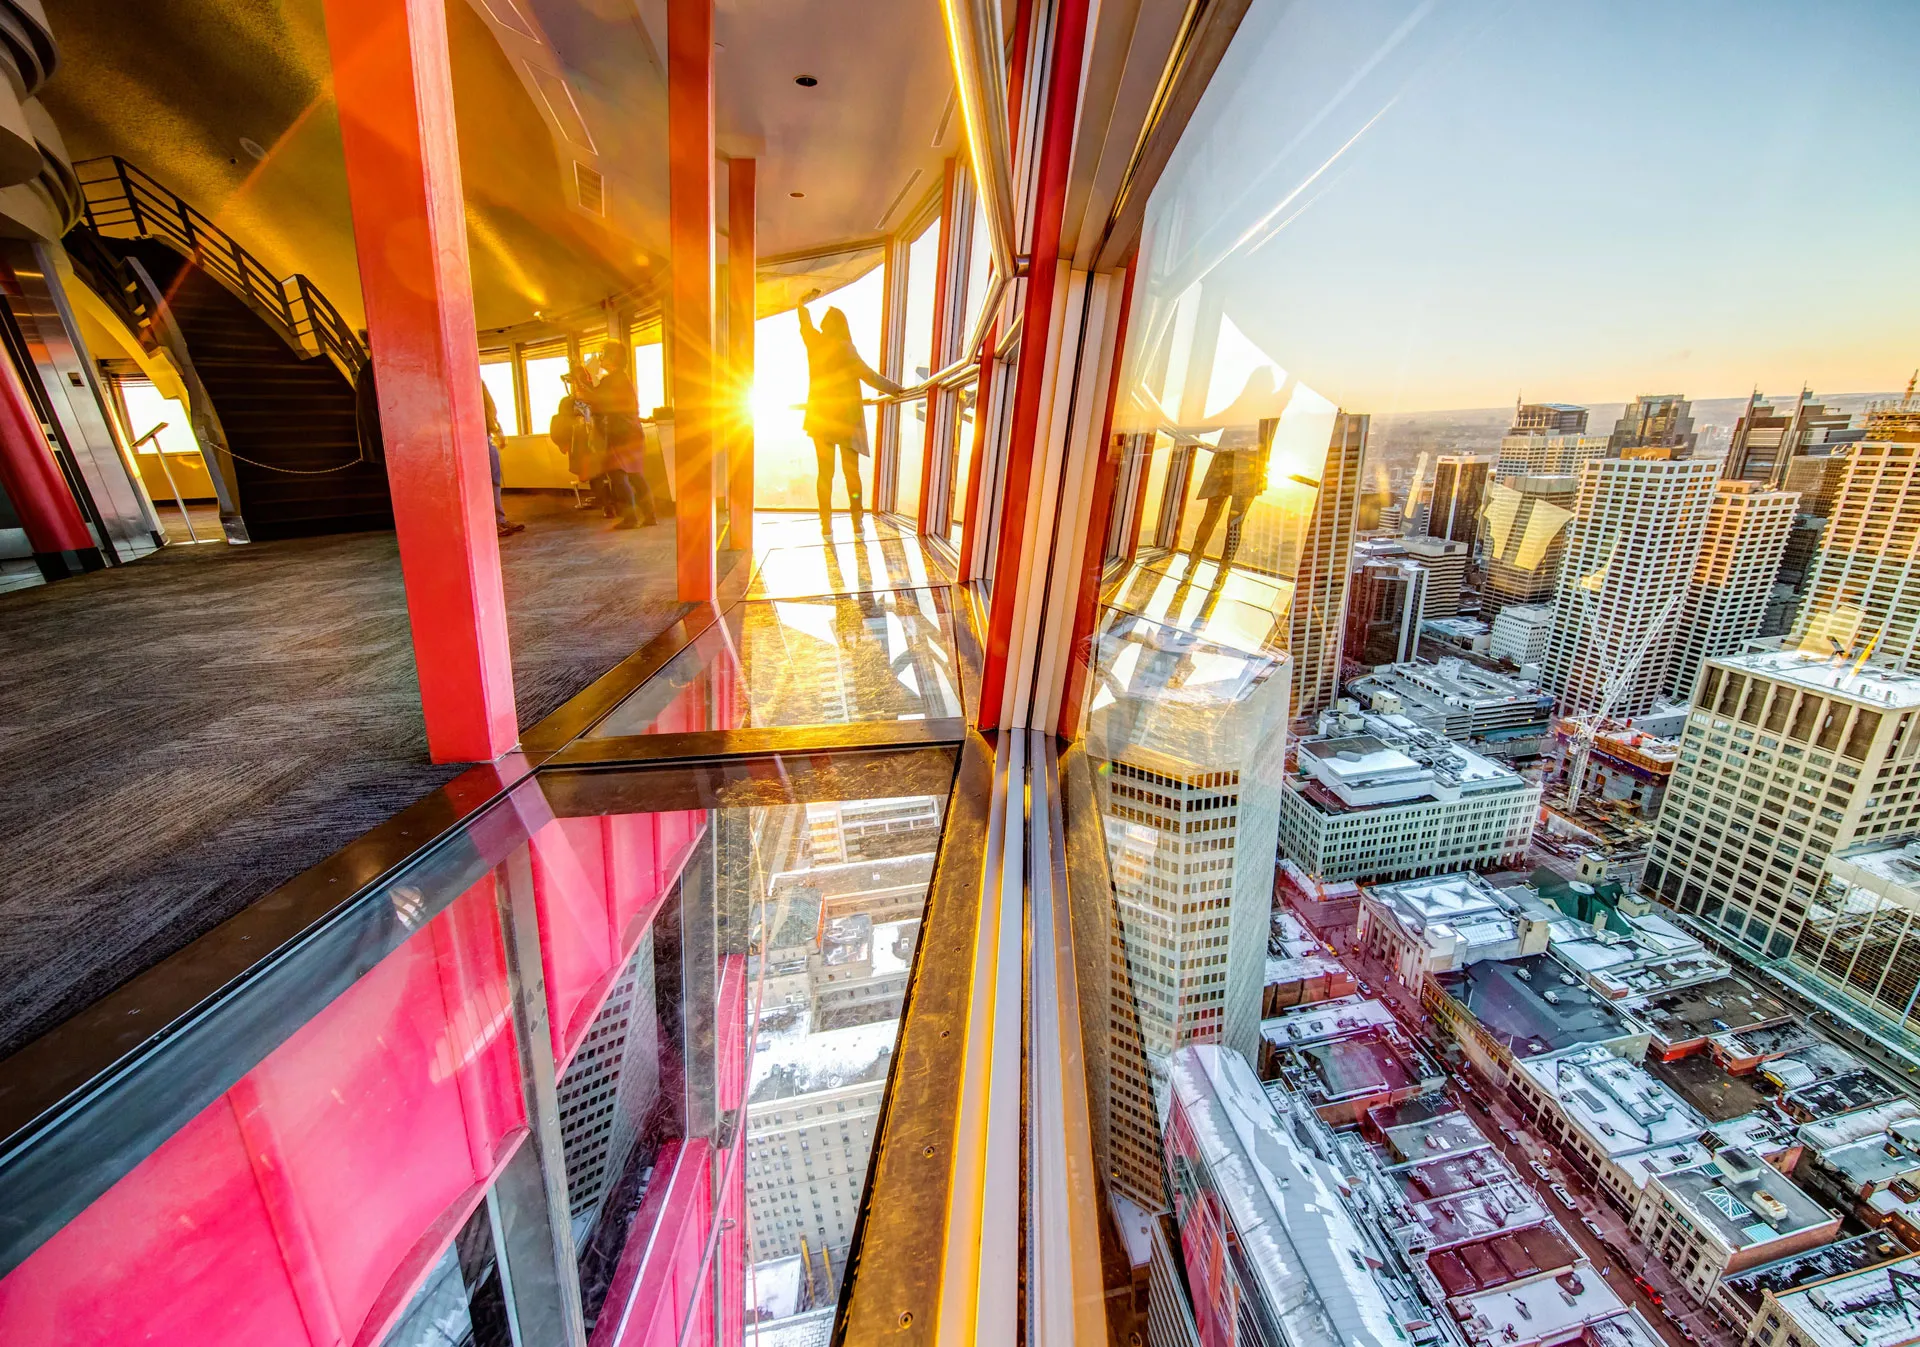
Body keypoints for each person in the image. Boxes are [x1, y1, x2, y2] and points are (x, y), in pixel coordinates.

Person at [798, 289, 902, 537]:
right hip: (845, 421)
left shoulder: (816, 344)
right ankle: (857, 520)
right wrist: (897, 389)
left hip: (821, 420)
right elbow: (870, 377)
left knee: (825, 474)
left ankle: (826, 524)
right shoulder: (845, 348)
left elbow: (805, 325)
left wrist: (802, 305)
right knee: (851, 473)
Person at [1182, 368, 1296, 574]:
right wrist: (1296, 366)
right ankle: (1223, 570)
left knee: (1211, 516)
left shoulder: (1242, 404)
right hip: (1249, 470)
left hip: (1224, 466)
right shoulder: (1272, 405)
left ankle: (1192, 562)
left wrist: (1182, 429)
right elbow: (1288, 388)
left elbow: (1211, 424)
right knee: (1234, 523)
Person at [577, 343, 658, 529]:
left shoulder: (612, 380)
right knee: (636, 474)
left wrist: (583, 379)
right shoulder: (622, 379)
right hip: (632, 431)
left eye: (603, 355)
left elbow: (595, 399)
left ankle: (631, 518)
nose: (600, 358)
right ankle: (650, 516)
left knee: (617, 474)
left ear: (612, 359)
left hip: (620, 433)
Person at [483, 382, 523, 537]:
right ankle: (492, 522)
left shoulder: (476, 381)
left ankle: (499, 520)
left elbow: (490, 409)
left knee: (494, 480)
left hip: (485, 436)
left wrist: (497, 429)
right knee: (485, 483)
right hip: (473, 438)